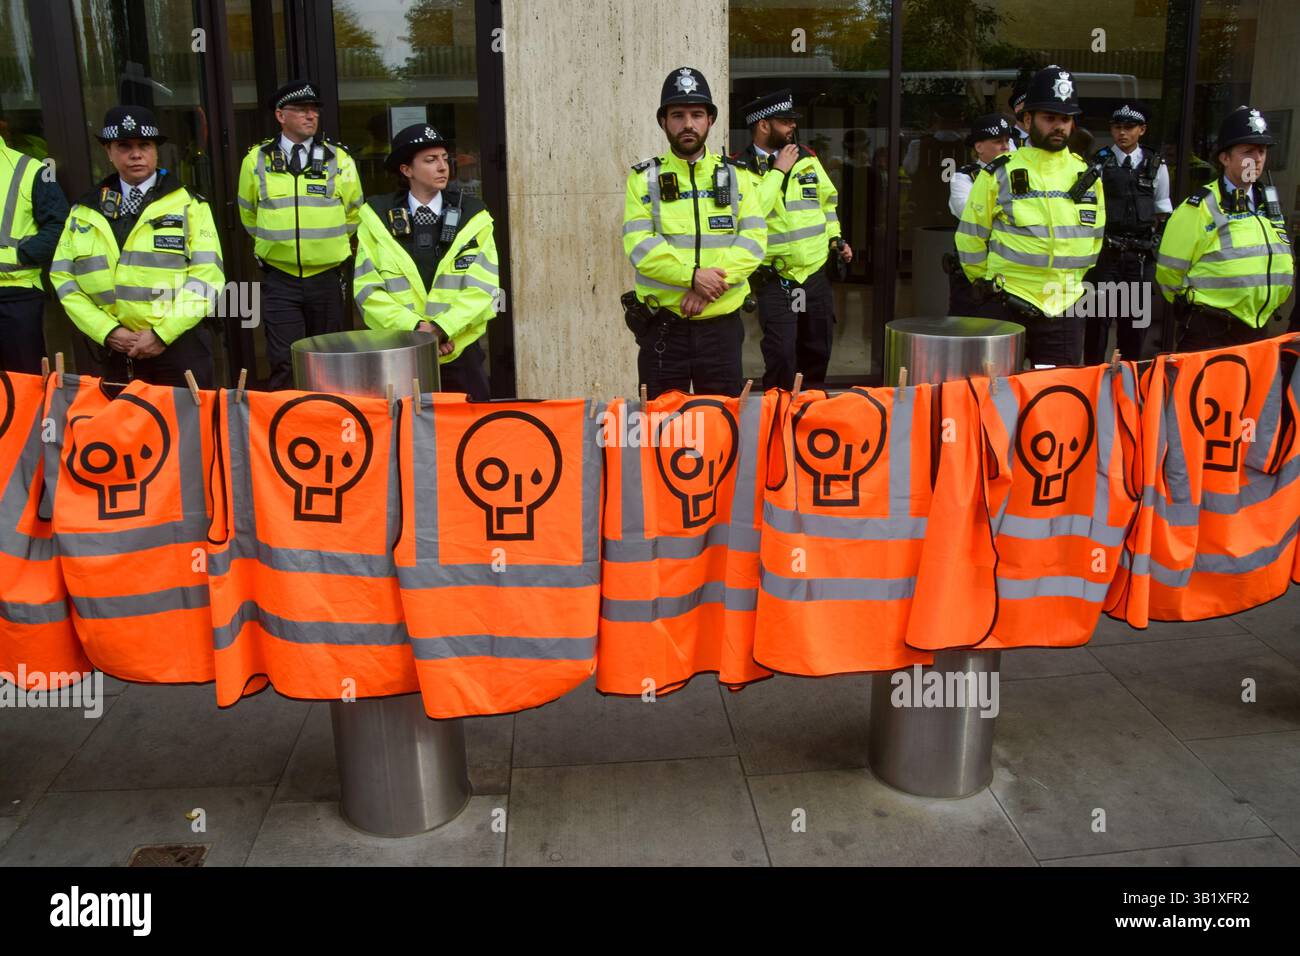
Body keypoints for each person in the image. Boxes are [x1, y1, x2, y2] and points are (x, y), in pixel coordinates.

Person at [50, 106, 223, 387]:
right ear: (108, 151)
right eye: (124, 146)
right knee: (126, 431)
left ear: (156, 150)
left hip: (178, 347)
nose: (136, 154)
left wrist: (162, 334)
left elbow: (207, 278)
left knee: (187, 429)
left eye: (144, 145)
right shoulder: (83, 210)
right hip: (116, 351)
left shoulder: (190, 205)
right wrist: (107, 331)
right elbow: (63, 280)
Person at [621, 67, 766, 398]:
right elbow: (640, 245)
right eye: (678, 115)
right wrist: (691, 277)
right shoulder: (643, 179)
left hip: (721, 329)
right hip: (663, 327)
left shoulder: (737, 176)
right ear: (663, 121)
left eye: (697, 114)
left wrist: (705, 288)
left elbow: (754, 241)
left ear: (710, 120)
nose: (688, 123)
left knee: (721, 425)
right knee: (660, 427)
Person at [955, 65, 1105, 366]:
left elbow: (1093, 242)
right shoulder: (1000, 172)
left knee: (1054, 401)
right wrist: (986, 284)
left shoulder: (1086, 175)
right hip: (1005, 303)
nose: (1059, 126)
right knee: (995, 398)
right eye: (1049, 118)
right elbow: (971, 236)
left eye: (1065, 119)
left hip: (1062, 310)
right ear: (1026, 119)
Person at [353, 123, 498, 400]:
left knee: (469, 437)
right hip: (401, 354)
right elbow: (368, 292)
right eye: (430, 160)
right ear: (406, 170)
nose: (443, 167)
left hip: (459, 351)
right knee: (407, 438)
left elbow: (483, 288)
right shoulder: (377, 218)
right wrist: (419, 332)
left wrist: (442, 329)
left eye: (445, 158)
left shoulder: (473, 215)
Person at [237, 80, 363, 389]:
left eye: (314, 110)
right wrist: (274, 244)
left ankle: (330, 422)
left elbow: (355, 212)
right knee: (284, 360)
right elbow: (248, 213)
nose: (311, 116)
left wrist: (326, 246)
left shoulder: (338, 159)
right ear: (281, 116)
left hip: (327, 277)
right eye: (302, 110)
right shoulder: (256, 160)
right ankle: (287, 427)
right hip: (280, 278)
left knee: (330, 359)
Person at [732, 89, 850, 390]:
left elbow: (827, 204)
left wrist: (837, 240)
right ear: (763, 125)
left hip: (814, 275)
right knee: (782, 355)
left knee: (817, 352)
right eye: (785, 121)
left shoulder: (808, 159)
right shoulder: (738, 168)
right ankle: (779, 421)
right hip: (775, 278)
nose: (792, 127)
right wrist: (778, 171)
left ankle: (809, 420)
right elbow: (752, 211)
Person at [1156, 106, 1294, 352]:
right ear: (1225, 158)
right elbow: (1169, 273)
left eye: (1262, 151)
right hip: (1212, 332)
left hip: (1258, 329)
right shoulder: (1199, 207)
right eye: (1248, 151)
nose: (1258, 159)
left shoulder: (1267, 202)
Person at [1082, 102, 1171, 363]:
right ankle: (1093, 380)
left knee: (1134, 325)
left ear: (1142, 130)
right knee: (1097, 322)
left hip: (1139, 258)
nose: (1122, 133)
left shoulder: (1155, 164)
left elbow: (1162, 209)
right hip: (1106, 255)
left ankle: (1129, 382)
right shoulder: (1099, 162)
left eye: (1129, 128)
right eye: (1117, 127)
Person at [0, 117, 69, 373]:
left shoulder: (29, 169)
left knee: (24, 385)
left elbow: (59, 224)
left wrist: (21, 255)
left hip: (16, 295)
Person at [946, 114, 1012, 316]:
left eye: (1007, 141)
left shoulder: (1019, 176)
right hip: (972, 275)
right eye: (997, 141)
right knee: (967, 332)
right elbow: (969, 213)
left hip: (1008, 270)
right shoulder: (963, 178)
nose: (1005, 147)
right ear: (979, 147)